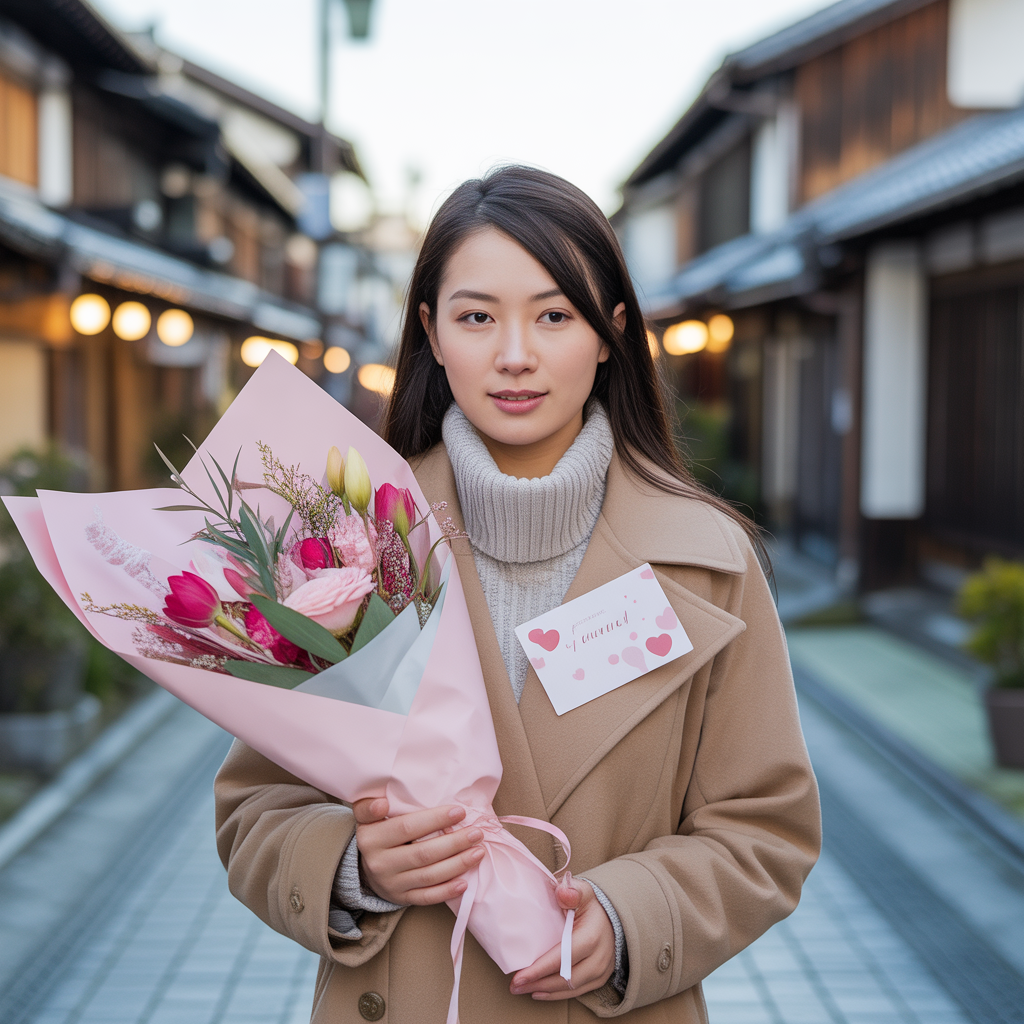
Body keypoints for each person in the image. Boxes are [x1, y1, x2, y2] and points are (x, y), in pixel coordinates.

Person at [214, 165, 821, 1023]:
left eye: (554, 315)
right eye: (475, 317)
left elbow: (768, 827)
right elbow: (253, 813)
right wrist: (354, 865)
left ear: (610, 333)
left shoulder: (708, 559)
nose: (514, 355)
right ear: (430, 331)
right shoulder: (339, 540)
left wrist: (631, 918)